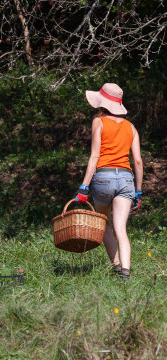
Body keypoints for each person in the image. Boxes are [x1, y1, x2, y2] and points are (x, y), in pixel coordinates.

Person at [74, 83, 143, 280]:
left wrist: (84, 186)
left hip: (103, 178)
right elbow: (137, 161)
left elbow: (94, 157)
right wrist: (138, 190)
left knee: (105, 226)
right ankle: (126, 273)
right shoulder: (131, 127)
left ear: (102, 103)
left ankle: (116, 266)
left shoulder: (99, 121)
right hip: (125, 179)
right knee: (121, 228)